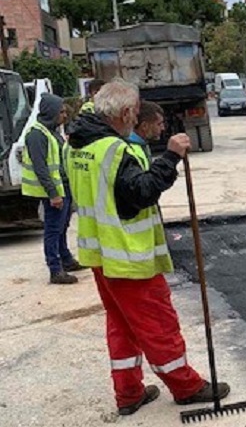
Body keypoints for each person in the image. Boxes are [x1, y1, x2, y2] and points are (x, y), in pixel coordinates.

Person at [66, 79, 230, 417]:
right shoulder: (114, 150)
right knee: (158, 323)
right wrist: (170, 157)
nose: (137, 118)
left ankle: (128, 393)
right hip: (127, 255)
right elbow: (141, 192)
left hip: (99, 254)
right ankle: (186, 386)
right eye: (136, 112)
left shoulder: (77, 145)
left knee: (121, 324)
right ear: (125, 112)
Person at [21, 93, 84, 285]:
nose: (64, 115)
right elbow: (41, 168)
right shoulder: (37, 134)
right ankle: (55, 270)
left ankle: (66, 259)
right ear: (51, 113)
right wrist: (53, 194)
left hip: (64, 188)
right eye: (61, 112)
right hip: (54, 192)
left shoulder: (52, 131)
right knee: (53, 229)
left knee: (62, 226)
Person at [127, 101, 165, 169]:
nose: (163, 128)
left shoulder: (140, 145)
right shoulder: (130, 151)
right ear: (144, 126)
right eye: (159, 124)